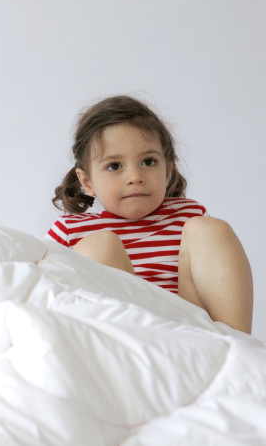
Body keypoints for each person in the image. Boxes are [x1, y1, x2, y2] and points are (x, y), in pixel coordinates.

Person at [47, 95, 253, 334]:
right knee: (98, 247)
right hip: (123, 341)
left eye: (148, 161)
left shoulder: (188, 218)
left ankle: (238, 349)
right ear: (87, 181)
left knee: (209, 229)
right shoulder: (69, 230)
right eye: (114, 166)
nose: (135, 176)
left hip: (192, 337)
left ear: (168, 171)